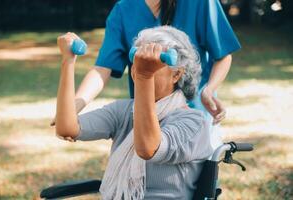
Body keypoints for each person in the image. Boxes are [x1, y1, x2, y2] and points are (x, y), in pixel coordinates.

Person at [56, 26, 213, 199]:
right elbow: (67, 127)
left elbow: (149, 148)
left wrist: (145, 75)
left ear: (176, 75)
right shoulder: (124, 111)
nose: (138, 68)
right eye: (137, 61)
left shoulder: (194, 122)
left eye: (152, 64)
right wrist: (68, 61)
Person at [51, 0, 241, 129]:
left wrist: (209, 90)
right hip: (148, 116)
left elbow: (223, 55)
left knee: (197, 182)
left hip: (194, 114)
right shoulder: (123, 10)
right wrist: (73, 107)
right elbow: (102, 69)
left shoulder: (200, 3)